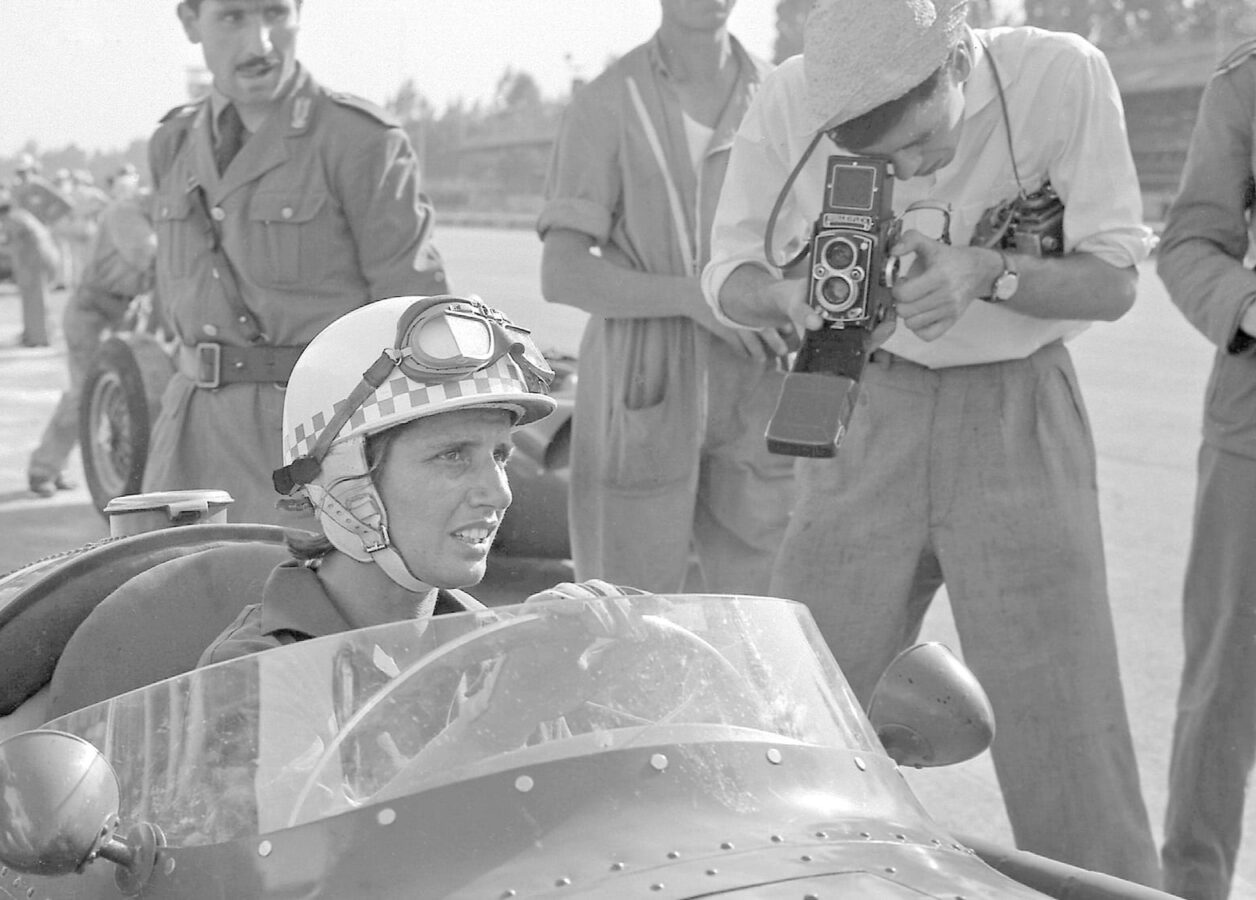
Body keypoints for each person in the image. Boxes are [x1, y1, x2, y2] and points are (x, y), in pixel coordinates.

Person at [702, 0, 1158, 883]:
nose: (911, 171)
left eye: (920, 143)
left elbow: (1115, 283)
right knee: (803, 709)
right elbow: (728, 274)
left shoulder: (1062, 75)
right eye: (880, 162)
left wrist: (993, 270)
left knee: (1067, 729)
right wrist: (792, 302)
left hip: (1018, 415)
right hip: (862, 403)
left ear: (958, 62)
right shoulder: (790, 97)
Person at [140, 0, 447, 525]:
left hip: (311, 445)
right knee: (173, 596)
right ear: (191, 22)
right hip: (188, 436)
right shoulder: (173, 142)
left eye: (276, 14)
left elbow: (418, 327)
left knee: (305, 603)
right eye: (233, 17)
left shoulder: (359, 141)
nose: (260, 43)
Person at [537, 0, 793, 594]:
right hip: (638, 383)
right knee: (626, 614)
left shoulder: (783, 96)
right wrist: (696, 299)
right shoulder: (605, 102)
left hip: (759, 378)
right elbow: (564, 273)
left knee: (765, 618)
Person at [200, 294, 556, 664]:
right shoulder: (251, 668)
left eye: (499, 456)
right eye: (452, 456)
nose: (499, 495)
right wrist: (509, 710)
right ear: (345, 477)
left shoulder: (491, 648)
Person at [1156, 38, 1256, 900]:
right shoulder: (1246, 79)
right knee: (1224, 686)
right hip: (1254, 427)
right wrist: (1249, 309)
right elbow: (1188, 244)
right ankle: (1193, 887)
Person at [25, 180, 156, 496]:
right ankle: (43, 469)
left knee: (123, 395)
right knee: (85, 394)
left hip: (124, 309)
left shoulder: (153, 216)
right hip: (92, 310)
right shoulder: (127, 212)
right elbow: (150, 257)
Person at [0, 201, 57, 348]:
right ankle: (33, 334)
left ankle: (39, 337)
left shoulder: (13, 219)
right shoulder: (21, 216)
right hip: (34, 260)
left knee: (35, 300)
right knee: (33, 299)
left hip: (33, 261)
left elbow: (17, 245)